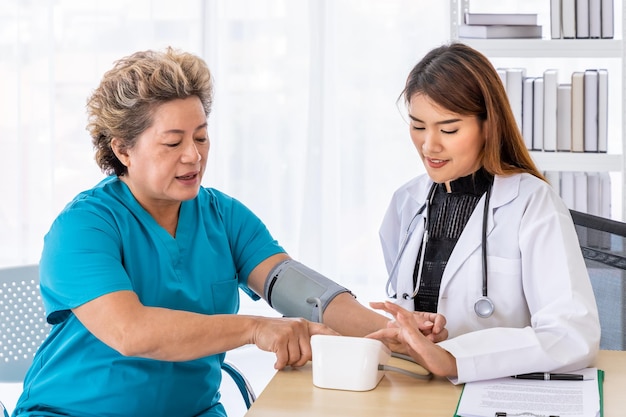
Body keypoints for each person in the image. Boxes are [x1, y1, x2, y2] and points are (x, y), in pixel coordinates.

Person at [11, 47, 446, 417]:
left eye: (201, 137)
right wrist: (255, 329)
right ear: (123, 149)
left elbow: (296, 288)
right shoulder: (84, 228)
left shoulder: (221, 215)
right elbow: (132, 333)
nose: (193, 156)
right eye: (173, 142)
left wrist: (396, 335)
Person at [366, 42, 600, 384]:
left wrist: (455, 359)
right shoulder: (407, 201)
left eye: (448, 129)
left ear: (488, 126)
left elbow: (572, 335)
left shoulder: (533, 204)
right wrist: (415, 332)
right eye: (418, 126)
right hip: (418, 389)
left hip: (499, 393)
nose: (429, 145)